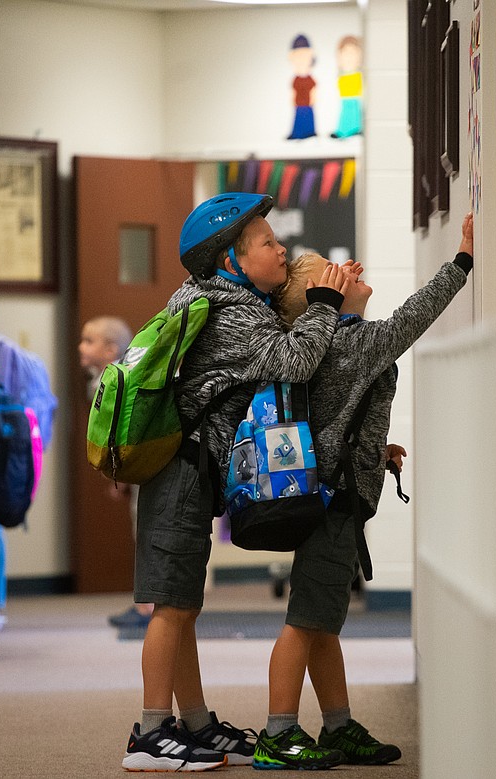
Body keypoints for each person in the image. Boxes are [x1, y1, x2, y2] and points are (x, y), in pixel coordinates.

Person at [120, 192, 351, 771]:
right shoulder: (231, 313)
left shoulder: (221, 300)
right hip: (181, 472)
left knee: (182, 603)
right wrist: (324, 302)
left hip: (192, 470)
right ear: (230, 260)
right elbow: (295, 362)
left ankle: (194, 721)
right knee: (170, 605)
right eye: (268, 243)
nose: (282, 250)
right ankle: (149, 735)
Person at [253, 213, 474, 769]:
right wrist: (464, 260)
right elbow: (414, 318)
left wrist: (376, 451)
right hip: (335, 502)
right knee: (307, 621)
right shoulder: (354, 342)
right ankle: (278, 733)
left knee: (322, 621)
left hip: (327, 491)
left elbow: (335, 419)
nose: (353, 271)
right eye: (337, 273)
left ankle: (337, 725)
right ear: (321, 297)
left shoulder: (335, 345)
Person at [79, 316, 151, 630]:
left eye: (88, 341)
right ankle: (148, 603)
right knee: (142, 532)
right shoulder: (98, 380)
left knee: (146, 533)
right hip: (135, 469)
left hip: (145, 466)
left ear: (111, 350)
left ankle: (148, 606)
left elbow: (120, 430)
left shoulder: (116, 380)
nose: (81, 347)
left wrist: (118, 472)